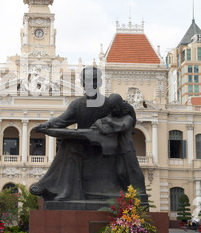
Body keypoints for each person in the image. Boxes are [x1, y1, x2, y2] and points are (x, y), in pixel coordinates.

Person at [30, 66, 110, 201]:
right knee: (69, 143)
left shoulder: (108, 104)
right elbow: (61, 120)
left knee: (70, 145)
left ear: (101, 82)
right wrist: (46, 125)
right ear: (83, 83)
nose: (91, 84)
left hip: (103, 148)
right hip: (83, 146)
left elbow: (125, 121)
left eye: (95, 80)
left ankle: (50, 186)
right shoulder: (78, 104)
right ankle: (63, 191)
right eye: (88, 80)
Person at [91, 93, 148, 205]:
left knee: (135, 171)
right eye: (111, 108)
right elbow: (102, 127)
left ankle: (140, 194)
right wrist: (98, 123)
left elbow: (121, 127)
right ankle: (129, 194)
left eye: (115, 107)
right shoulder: (112, 118)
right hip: (117, 151)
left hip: (128, 150)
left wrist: (109, 122)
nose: (113, 110)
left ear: (119, 106)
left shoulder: (128, 118)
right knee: (121, 172)